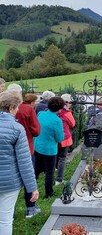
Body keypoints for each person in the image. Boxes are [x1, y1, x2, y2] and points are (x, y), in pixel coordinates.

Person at [0, 91, 39, 234]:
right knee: (5, 219)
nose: (17, 111)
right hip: (10, 182)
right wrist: (32, 187)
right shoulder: (17, 129)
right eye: (16, 108)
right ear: (10, 108)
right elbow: (24, 161)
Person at [15, 93, 41, 218]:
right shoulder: (28, 109)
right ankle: (30, 208)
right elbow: (36, 130)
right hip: (27, 145)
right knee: (29, 177)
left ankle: (10, 211)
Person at [34, 97, 65, 198]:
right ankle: (49, 193)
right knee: (49, 172)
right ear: (59, 109)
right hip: (49, 150)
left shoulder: (41, 114)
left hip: (37, 146)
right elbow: (60, 138)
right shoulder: (57, 120)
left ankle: (29, 188)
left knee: (36, 169)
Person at [55, 94, 76, 185]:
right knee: (62, 158)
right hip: (64, 138)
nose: (70, 104)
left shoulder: (54, 111)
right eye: (70, 102)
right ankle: (59, 179)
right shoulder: (66, 113)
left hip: (54, 137)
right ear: (66, 103)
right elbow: (73, 124)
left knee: (55, 157)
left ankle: (53, 175)